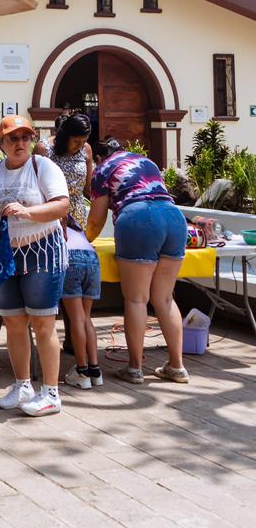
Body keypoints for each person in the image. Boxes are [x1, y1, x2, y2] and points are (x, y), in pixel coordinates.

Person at [0, 115, 70, 417]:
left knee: (43, 323)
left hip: (42, 250)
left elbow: (61, 205)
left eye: (25, 137)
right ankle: (22, 385)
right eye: (12, 138)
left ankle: (50, 393)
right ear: (1, 144)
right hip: (6, 255)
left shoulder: (43, 167)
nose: (20, 143)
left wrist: (28, 212)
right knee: (13, 322)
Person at [86, 142, 188, 385]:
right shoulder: (146, 161)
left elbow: (96, 220)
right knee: (165, 298)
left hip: (139, 218)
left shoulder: (103, 169)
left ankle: (135, 368)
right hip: (174, 217)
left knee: (136, 299)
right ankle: (177, 366)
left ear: (99, 157)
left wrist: (83, 240)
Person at [61, 215, 103, 389]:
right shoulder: (77, 226)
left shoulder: (54, 221)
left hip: (70, 257)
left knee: (76, 318)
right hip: (92, 257)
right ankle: (95, 370)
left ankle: (82, 371)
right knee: (86, 317)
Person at [39, 112, 93, 228]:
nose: (80, 146)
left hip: (77, 214)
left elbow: (88, 188)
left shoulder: (86, 149)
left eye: (84, 141)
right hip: (51, 212)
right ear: (65, 136)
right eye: (76, 141)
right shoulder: (44, 149)